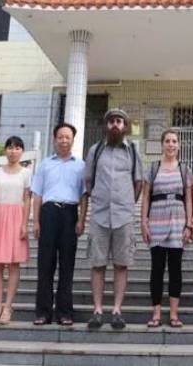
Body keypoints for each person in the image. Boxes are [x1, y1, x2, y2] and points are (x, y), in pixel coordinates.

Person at [82, 108, 143, 330]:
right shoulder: (95, 150)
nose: (115, 125)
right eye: (111, 122)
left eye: (119, 121)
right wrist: (99, 198)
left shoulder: (133, 151)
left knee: (121, 265)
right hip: (99, 216)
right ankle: (98, 310)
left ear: (125, 126)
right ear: (106, 126)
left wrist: (127, 203)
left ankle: (117, 310)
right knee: (97, 265)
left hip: (123, 217)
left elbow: (138, 182)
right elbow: (88, 181)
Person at [31, 122, 87, 326]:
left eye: (67, 137)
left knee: (67, 265)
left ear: (73, 140)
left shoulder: (80, 165)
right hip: (48, 213)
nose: (64, 140)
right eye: (60, 137)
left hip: (70, 214)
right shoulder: (45, 164)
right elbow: (37, 194)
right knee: (45, 264)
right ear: (55, 139)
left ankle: (65, 312)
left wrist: (81, 219)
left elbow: (84, 196)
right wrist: (36, 221)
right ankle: (43, 312)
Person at [140, 129, 193, 328]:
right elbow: (146, 197)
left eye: (174, 141)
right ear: (162, 144)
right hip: (156, 222)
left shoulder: (184, 169)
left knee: (175, 269)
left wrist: (189, 224)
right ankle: (156, 314)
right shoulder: (153, 168)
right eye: (168, 141)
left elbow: (189, 198)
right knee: (157, 269)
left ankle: (173, 314)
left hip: (178, 222)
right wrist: (143, 222)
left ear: (179, 145)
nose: (171, 145)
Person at [0, 136, 31, 325]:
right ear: (5, 150)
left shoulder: (26, 173)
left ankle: (8, 306)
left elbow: (27, 199)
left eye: (17, 148)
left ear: (22, 151)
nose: (13, 151)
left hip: (16, 218)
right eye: (10, 147)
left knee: (13, 264)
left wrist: (25, 223)